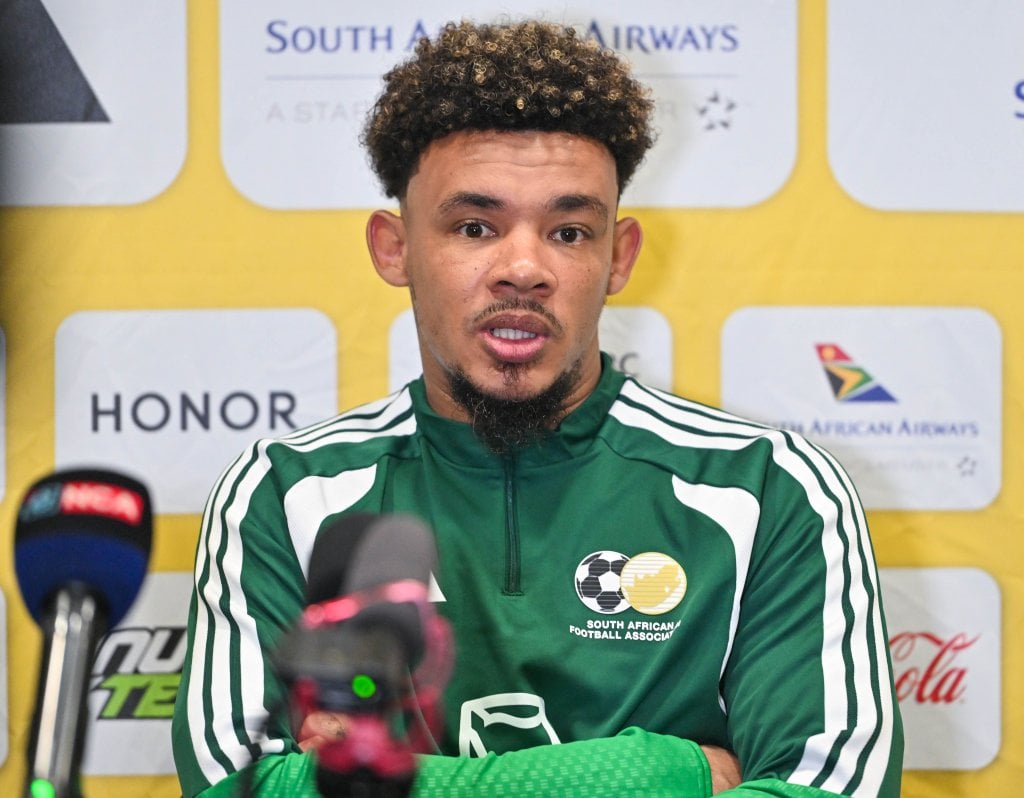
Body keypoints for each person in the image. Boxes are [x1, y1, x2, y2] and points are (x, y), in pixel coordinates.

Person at [172, 18, 903, 797]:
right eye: (475, 226)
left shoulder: (767, 486)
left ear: (617, 257)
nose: (524, 268)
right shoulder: (288, 492)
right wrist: (664, 771)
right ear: (395, 247)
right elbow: (240, 786)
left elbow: (832, 790)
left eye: (569, 230)